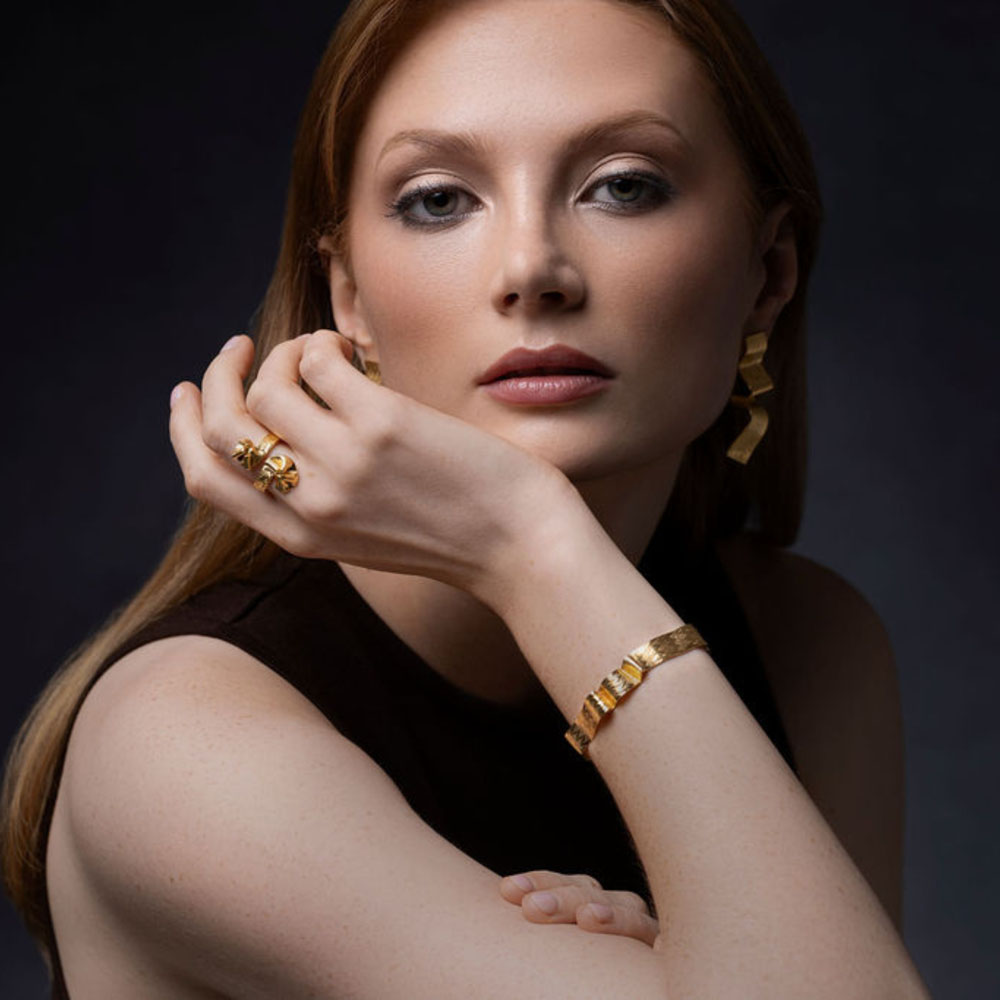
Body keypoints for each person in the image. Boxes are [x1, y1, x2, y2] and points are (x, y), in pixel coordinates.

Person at [1, 0, 932, 995]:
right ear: (349, 299)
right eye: (439, 199)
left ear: (768, 271)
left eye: (623, 186)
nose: (532, 269)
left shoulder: (805, 642)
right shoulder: (182, 740)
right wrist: (533, 548)